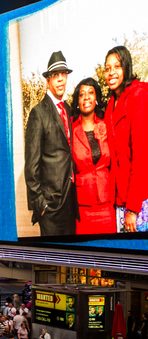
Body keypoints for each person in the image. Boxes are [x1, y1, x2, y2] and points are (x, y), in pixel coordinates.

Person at [24, 51, 79, 236]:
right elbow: (31, 166)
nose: (61, 79)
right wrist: (41, 204)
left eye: (64, 74)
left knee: (71, 260)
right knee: (53, 262)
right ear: (48, 80)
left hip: (70, 202)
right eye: (56, 75)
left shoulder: (68, 108)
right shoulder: (38, 113)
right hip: (51, 208)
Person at [105, 46, 148, 232]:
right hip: (119, 199)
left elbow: (141, 156)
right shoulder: (110, 104)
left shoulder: (137, 95)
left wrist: (132, 208)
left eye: (117, 66)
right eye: (107, 68)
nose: (111, 72)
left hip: (137, 202)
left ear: (126, 68)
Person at [70, 77, 116, 234]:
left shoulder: (107, 124)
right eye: (82, 94)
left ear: (96, 98)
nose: (86, 97)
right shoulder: (71, 129)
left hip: (107, 205)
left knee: (111, 253)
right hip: (82, 209)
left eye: (90, 93)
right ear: (77, 101)